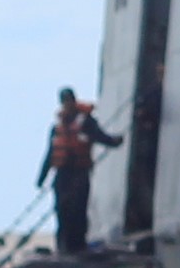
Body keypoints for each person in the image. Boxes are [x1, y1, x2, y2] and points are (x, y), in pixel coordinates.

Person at [40, 90, 120, 255]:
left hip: (79, 173)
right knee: (62, 210)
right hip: (62, 175)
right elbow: (50, 154)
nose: (67, 104)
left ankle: (78, 245)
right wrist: (42, 177)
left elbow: (99, 136)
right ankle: (63, 246)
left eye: (69, 100)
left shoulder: (86, 122)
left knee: (78, 209)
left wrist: (114, 141)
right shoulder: (58, 126)